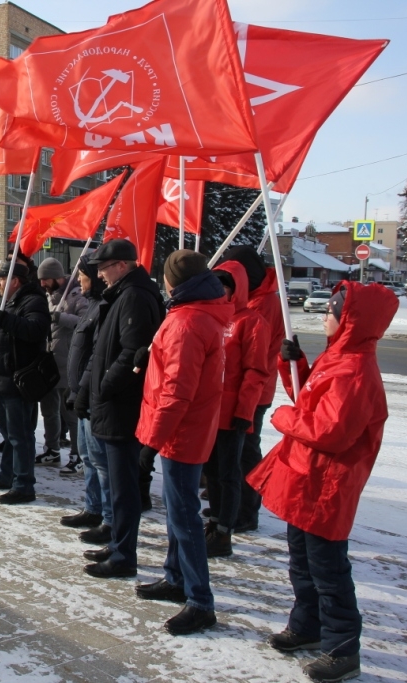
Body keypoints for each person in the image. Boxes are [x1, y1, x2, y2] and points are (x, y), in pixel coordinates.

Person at [248, 282, 397, 683]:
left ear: (351, 320)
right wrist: (292, 365)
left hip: (326, 486)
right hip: (306, 477)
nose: (326, 316)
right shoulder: (339, 358)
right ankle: (308, 626)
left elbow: (329, 430)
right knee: (302, 562)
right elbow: (313, 398)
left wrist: (281, 418)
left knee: (328, 570)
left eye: (333, 311)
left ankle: (342, 647)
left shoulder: (355, 369)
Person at [134, 251, 232, 636]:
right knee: (179, 513)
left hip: (180, 433)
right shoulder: (194, 314)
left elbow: (177, 391)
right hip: (186, 430)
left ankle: (200, 601)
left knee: (185, 518)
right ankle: (176, 578)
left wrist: (152, 442)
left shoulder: (187, 321)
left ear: (174, 282)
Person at [82, 239, 164, 579]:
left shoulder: (133, 296)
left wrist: (104, 386)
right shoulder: (123, 294)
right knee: (118, 485)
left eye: (103, 267)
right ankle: (118, 544)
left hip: (122, 406)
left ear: (122, 265)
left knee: (124, 486)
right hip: (112, 404)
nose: (99, 274)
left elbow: (133, 353)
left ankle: (123, 555)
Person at [204, 261, 272, 558]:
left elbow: (256, 371)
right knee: (212, 472)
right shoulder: (212, 316)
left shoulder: (252, 322)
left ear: (238, 288)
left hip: (232, 413)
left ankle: (224, 533)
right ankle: (216, 520)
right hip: (208, 410)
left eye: (226, 285)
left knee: (229, 473)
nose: (221, 290)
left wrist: (245, 411)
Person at [222, 245, 284, 533]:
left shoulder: (262, 305)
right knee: (236, 452)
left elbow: (255, 361)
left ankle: (247, 511)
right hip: (243, 390)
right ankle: (233, 506)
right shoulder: (255, 300)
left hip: (253, 393)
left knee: (245, 451)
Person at [0, 261, 50, 504]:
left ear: (15, 281)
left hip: (17, 380)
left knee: (20, 435)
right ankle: (7, 475)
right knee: (9, 434)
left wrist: (6, 320)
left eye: (1, 279)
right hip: (1, 379)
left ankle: (23, 485)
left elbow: (36, 330)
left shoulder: (33, 301)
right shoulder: (7, 303)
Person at [62, 255, 110, 535]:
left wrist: (83, 387)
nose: (79, 281)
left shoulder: (103, 308)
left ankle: (106, 516)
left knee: (100, 460)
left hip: (93, 395)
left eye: (83, 276)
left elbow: (96, 355)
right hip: (81, 391)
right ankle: (93, 508)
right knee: (89, 458)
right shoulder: (92, 306)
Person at [38, 257, 88, 469]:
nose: (43, 284)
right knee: (49, 410)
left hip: (68, 366)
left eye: (46, 280)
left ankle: (77, 455)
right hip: (49, 365)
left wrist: (60, 318)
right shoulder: (49, 297)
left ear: (58, 277)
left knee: (71, 414)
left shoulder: (78, 297)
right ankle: (52, 449)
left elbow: (86, 324)